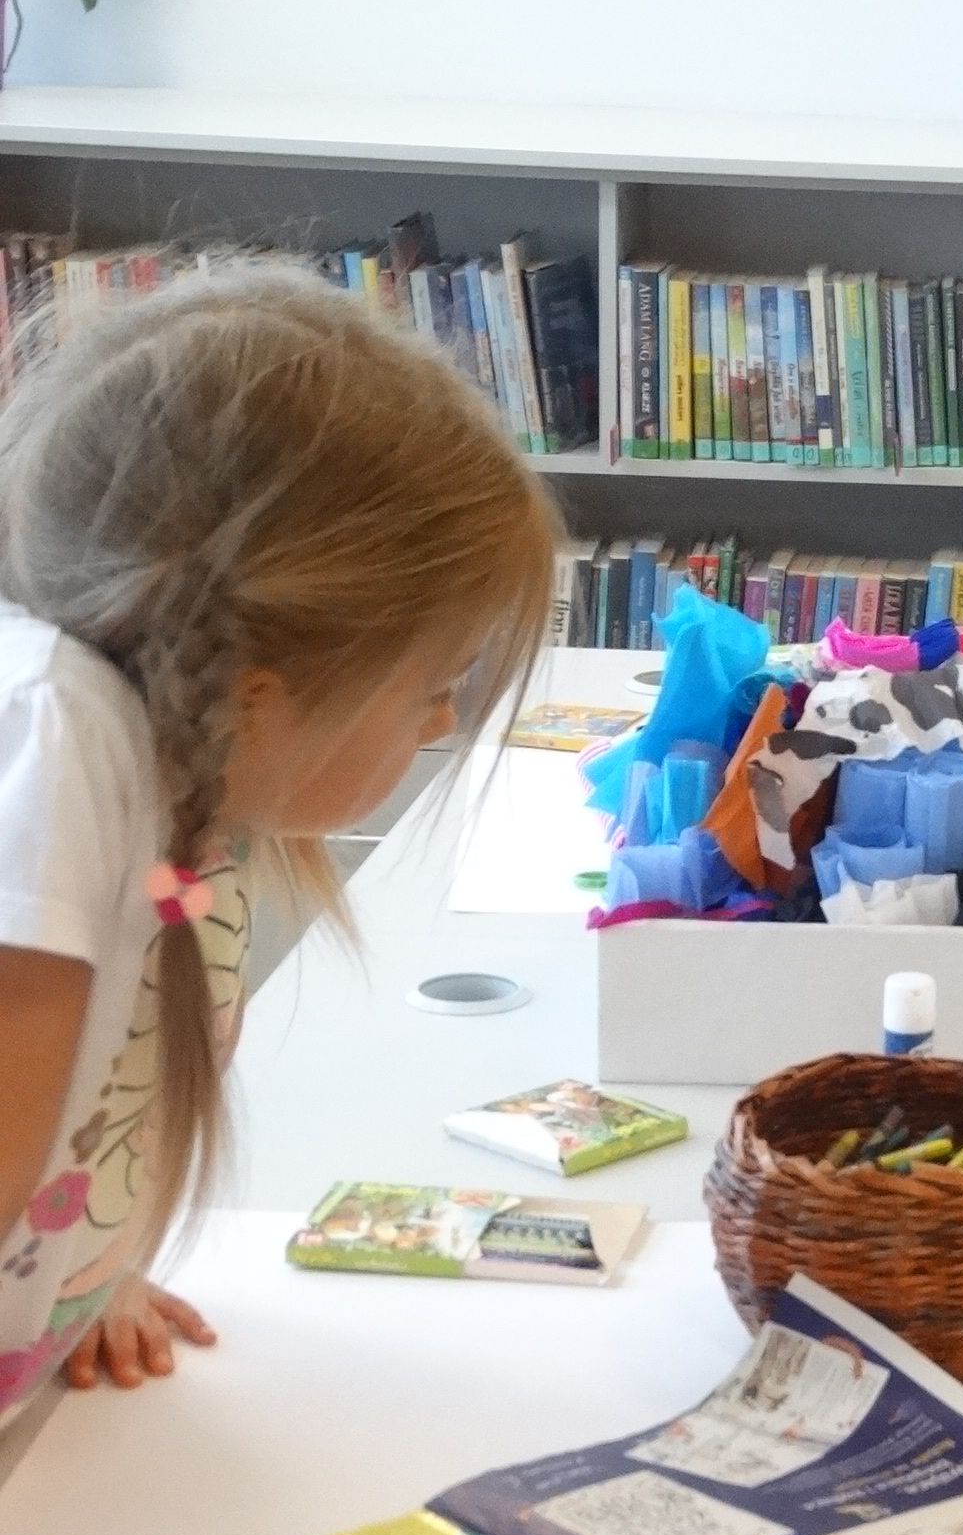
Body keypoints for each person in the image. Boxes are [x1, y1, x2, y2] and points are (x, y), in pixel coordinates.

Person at [0, 266, 555, 1426]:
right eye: (436, 684)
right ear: (260, 697)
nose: (440, 723)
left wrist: (82, 1272)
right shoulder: (61, 752)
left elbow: (85, 1112)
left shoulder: (198, 810)